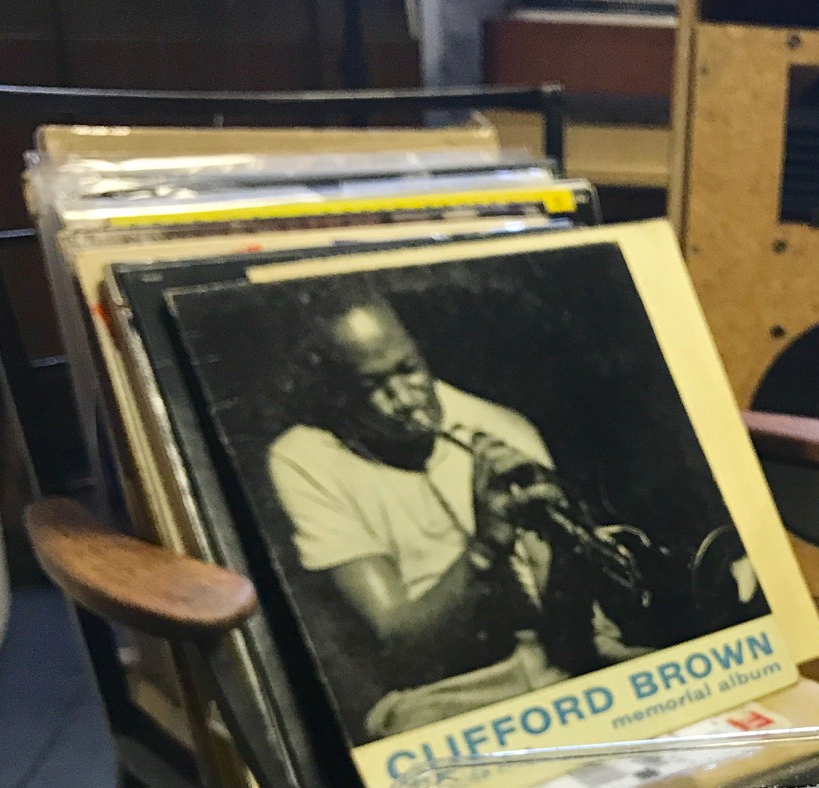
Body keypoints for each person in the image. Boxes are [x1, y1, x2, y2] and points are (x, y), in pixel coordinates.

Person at [267, 295, 651, 739]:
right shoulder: (305, 458)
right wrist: (486, 547)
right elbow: (398, 643)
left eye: (408, 369)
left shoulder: (500, 427)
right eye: (371, 386)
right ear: (333, 392)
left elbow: (571, 633)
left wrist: (568, 547)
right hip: (441, 695)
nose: (404, 399)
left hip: (557, 664)